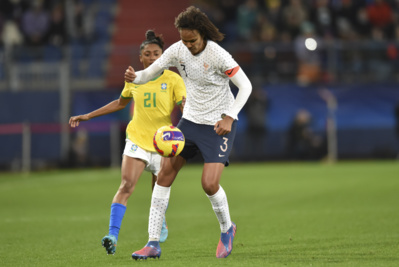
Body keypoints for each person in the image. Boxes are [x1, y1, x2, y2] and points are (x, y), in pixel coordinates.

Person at [124, 6, 252, 259]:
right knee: (164, 175)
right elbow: (151, 71)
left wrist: (229, 116)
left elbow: (245, 86)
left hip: (219, 125)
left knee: (209, 183)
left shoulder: (218, 55)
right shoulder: (178, 49)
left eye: (192, 40)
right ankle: (152, 243)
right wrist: (135, 76)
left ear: (202, 34)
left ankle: (227, 229)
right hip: (190, 122)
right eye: (184, 40)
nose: (189, 45)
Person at [69, 30, 186, 255]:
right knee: (126, 185)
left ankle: (159, 221)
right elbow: (120, 103)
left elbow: (184, 107)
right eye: (147, 54)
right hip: (138, 141)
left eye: (156, 54)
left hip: (163, 144)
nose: (152, 58)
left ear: (164, 57)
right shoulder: (135, 79)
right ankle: (112, 235)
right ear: (140, 58)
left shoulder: (173, 79)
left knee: (158, 192)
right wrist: (88, 116)